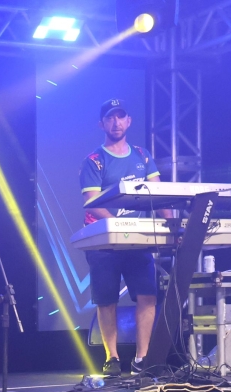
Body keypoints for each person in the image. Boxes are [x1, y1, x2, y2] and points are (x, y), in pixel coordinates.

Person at [80, 98, 169, 377]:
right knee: (107, 300)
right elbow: (91, 202)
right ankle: (112, 358)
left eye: (120, 117)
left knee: (147, 296)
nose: (116, 122)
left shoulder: (142, 156)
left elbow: (159, 193)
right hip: (103, 243)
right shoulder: (94, 160)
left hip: (137, 241)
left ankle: (142, 358)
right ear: (102, 124)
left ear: (128, 121)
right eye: (110, 118)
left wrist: (172, 224)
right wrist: (118, 225)